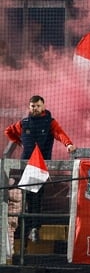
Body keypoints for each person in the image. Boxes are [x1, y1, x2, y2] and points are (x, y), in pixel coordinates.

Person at [4, 95, 77, 242]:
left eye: (37, 106)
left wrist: (68, 144)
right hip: (26, 166)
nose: (35, 109)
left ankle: (34, 229)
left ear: (43, 106)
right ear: (29, 107)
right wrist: (18, 142)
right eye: (32, 106)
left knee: (35, 196)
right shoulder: (23, 123)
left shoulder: (49, 122)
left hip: (40, 166)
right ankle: (29, 230)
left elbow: (60, 134)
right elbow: (9, 131)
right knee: (27, 198)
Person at [6, 177, 22, 263]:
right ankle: (9, 255)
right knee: (10, 236)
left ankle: (8, 256)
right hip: (13, 218)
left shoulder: (14, 192)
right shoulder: (18, 192)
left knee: (9, 237)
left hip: (10, 218)